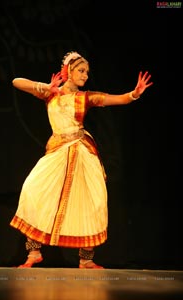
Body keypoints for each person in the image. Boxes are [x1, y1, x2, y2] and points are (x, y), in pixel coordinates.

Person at [10, 51, 153, 269]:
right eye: (81, 70)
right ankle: (34, 252)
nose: (85, 75)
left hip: (82, 152)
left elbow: (118, 99)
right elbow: (17, 82)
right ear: (67, 71)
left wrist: (134, 93)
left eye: (87, 72)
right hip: (58, 152)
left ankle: (86, 259)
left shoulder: (86, 97)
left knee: (90, 201)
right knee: (34, 192)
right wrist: (45, 87)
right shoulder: (51, 94)